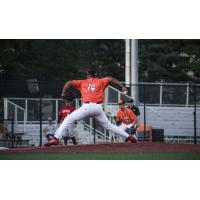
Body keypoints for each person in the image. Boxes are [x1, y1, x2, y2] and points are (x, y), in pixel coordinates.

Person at [44, 69, 137, 146]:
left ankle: (56, 138)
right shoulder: (100, 81)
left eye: (87, 74)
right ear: (95, 75)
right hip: (98, 108)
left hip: (87, 107)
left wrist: (63, 92)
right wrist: (122, 87)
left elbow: (69, 82)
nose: (87, 76)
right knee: (109, 126)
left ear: (88, 75)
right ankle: (129, 137)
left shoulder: (83, 82)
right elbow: (110, 79)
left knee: (68, 119)